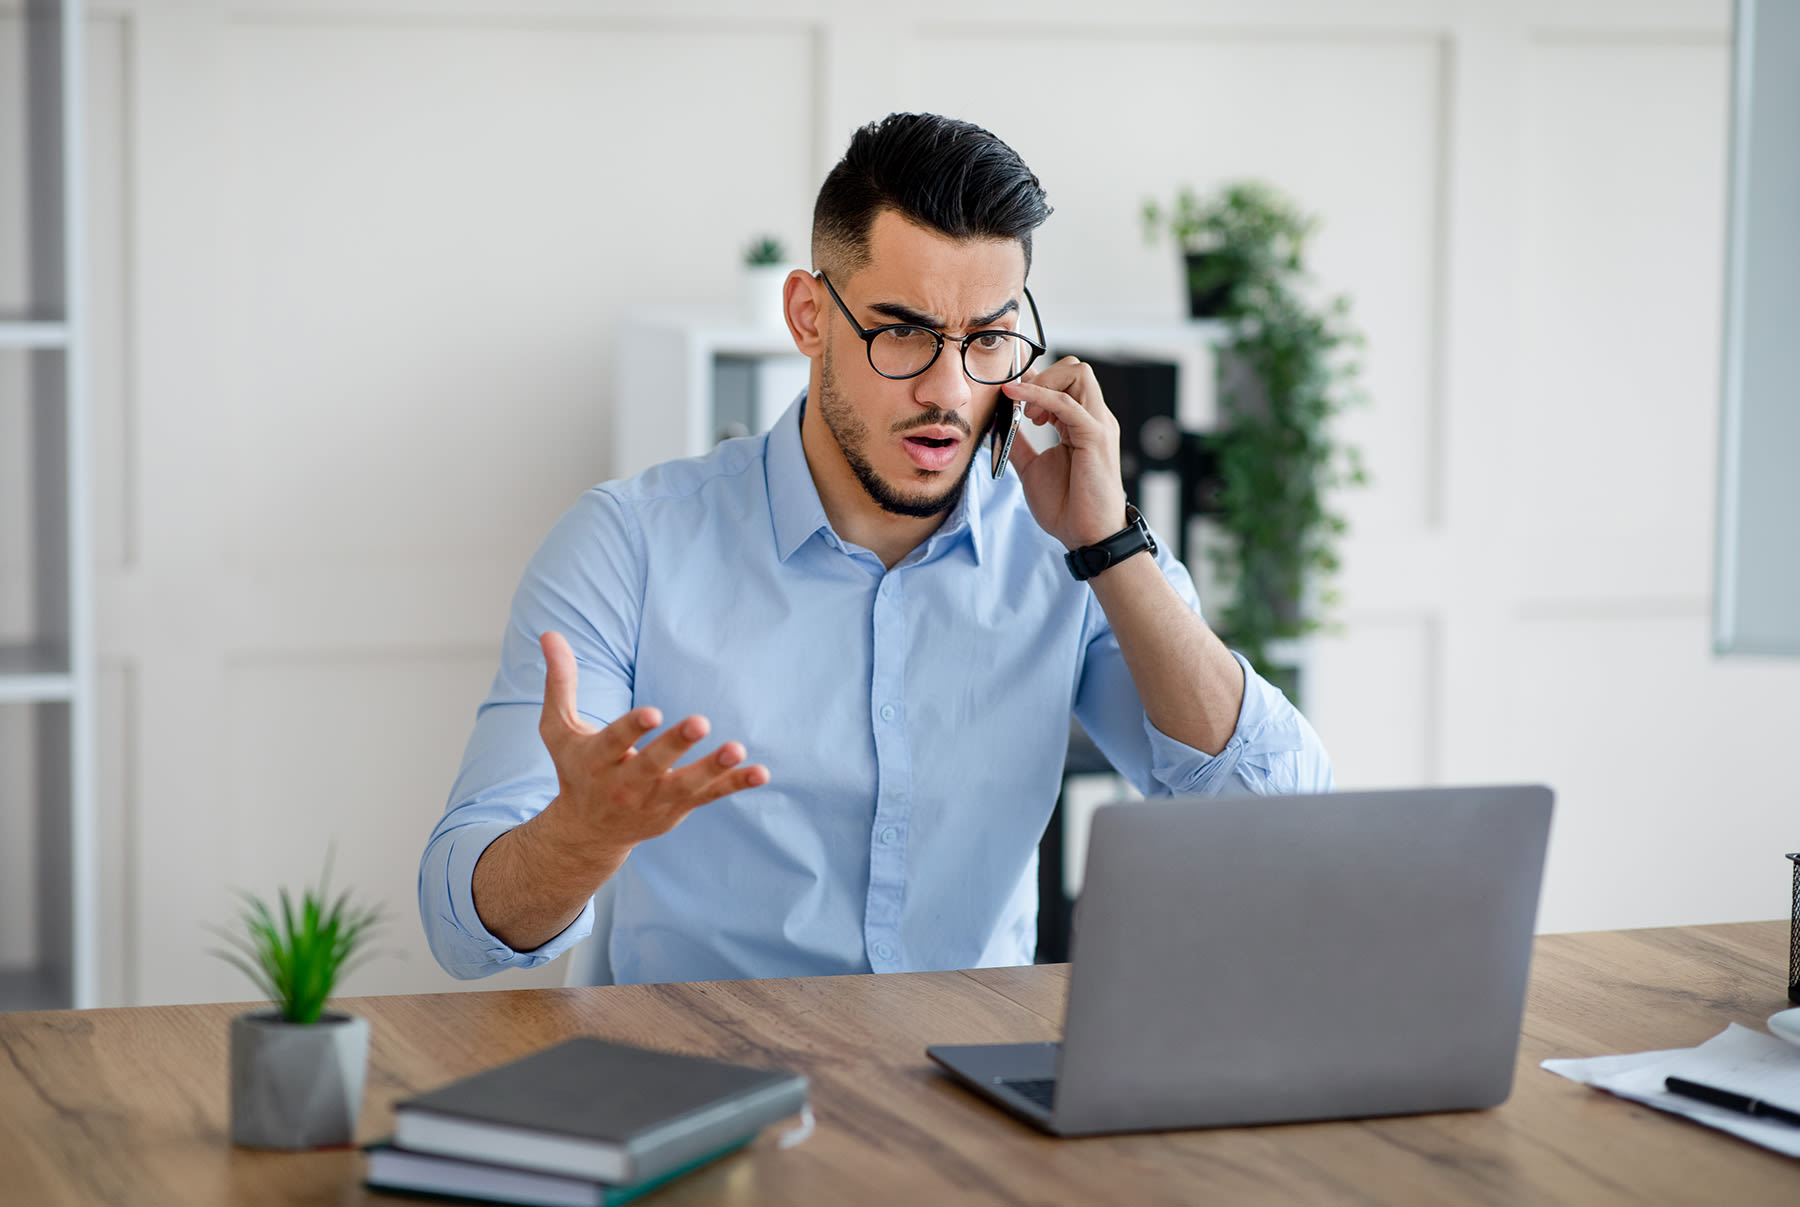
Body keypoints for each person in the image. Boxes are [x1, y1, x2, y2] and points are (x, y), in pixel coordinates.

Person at [420, 112, 1332, 986]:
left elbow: (1281, 829)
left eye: (988, 339)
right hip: (707, 1098)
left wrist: (1111, 547)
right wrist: (580, 836)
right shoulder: (629, 544)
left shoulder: (1067, 545)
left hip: (969, 1102)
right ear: (809, 316)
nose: (948, 389)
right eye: (903, 331)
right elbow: (463, 927)